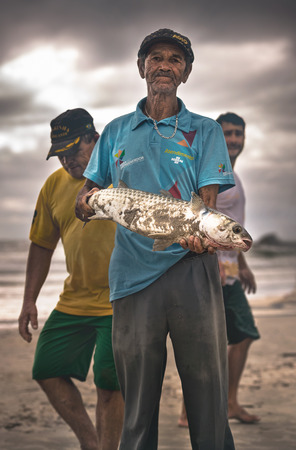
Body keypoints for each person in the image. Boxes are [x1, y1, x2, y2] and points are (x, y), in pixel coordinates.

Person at [76, 29, 236, 450]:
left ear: (186, 73)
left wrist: (201, 234)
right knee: (138, 405)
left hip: (192, 272)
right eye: (156, 57)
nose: (165, 64)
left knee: (208, 395)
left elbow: (205, 204)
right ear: (141, 67)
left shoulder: (204, 131)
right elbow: (86, 198)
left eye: (175, 59)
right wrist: (90, 203)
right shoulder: (115, 132)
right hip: (130, 279)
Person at [18, 108, 124, 450]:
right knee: (46, 368)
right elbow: (41, 245)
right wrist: (28, 300)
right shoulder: (54, 185)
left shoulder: (120, 175)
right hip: (75, 298)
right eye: (60, 154)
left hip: (120, 299)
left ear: (95, 139)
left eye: (73, 151)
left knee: (109, 383)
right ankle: (90, 443)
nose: (66, 161)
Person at [178, 112, 260, 428]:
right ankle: (196, 410)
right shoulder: (208, 174)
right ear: (216, 137)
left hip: (230, 271)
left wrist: (243, 265)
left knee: (236, 336)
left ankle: (228, 402)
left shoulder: (233, 177)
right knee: (209, 341)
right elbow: (199, 221)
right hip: (213, 270)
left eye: (239, 134)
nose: (234, 140)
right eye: (227, 134)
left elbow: (231, 229)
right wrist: (212, 262)